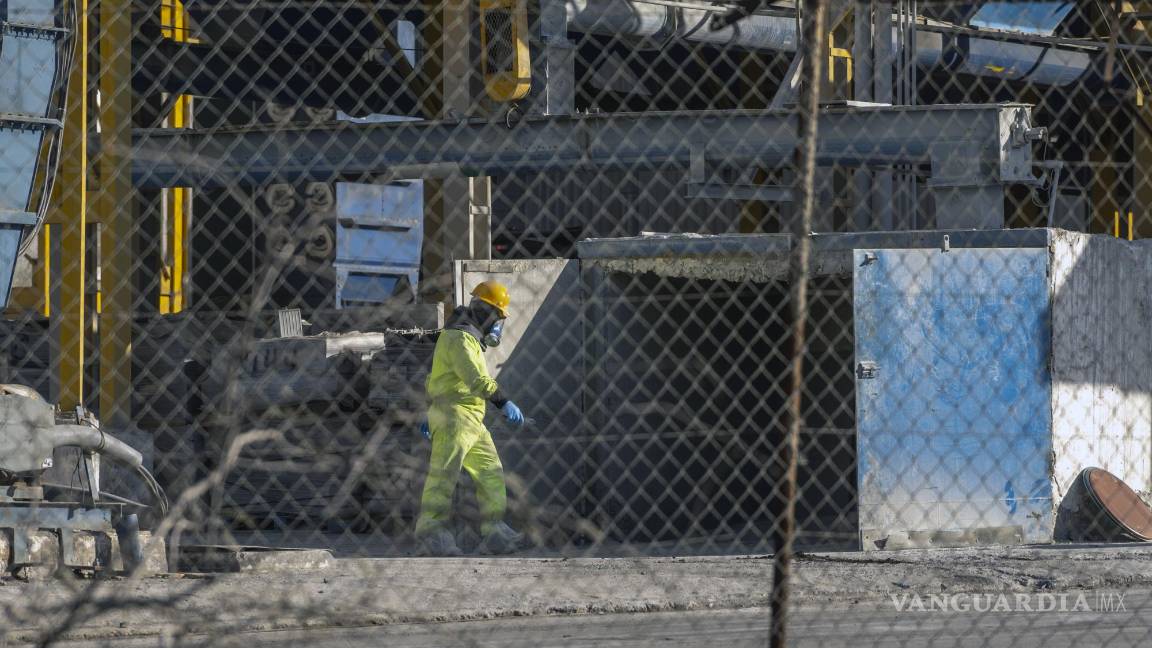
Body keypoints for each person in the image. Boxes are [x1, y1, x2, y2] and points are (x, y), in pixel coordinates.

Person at [415, 280, 527, 556]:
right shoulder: (459, 338)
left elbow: (436, 376)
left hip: (471, 418)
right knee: (444, 476)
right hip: (453, 415)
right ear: (488, 312)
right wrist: (503, 401)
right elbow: (476, 379)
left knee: (491, 472)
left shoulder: (468, 337)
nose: (498, 325)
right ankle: (432, 533)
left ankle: (495, 530)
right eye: (498, 317)